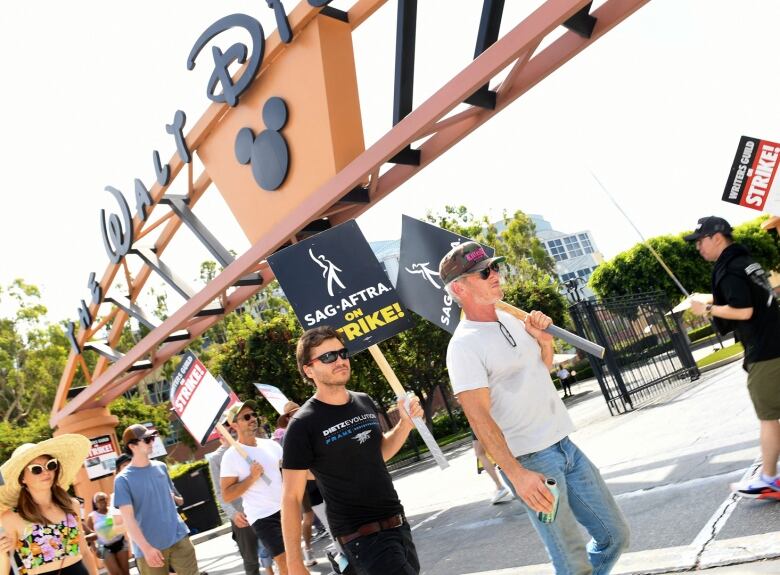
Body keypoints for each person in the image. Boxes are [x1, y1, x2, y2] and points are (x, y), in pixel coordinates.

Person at [440, 241, 630, 574]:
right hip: (531, 461)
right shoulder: (463, 346)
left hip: (564, 445)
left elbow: (540, 370)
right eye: (484, 272)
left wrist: (545, 342)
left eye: (495, 267)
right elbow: (478, 417)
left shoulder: (513, 319)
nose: (495, 274)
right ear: (459, 287)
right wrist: (515, 474)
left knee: (614, 535)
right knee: (571, 558)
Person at [281, 325, 423, 575]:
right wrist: (294, 563)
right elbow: (291, 497)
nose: (340, 360)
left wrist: (405, 425)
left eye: (342, 353)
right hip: (362, 538)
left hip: (398, 525)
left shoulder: (363, 400)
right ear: (308, 369)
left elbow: (378, 453)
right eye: (327, 357)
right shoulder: (302, 424)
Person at [685, 216, 780, 498]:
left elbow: (744, 311)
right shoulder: (745, 263)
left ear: (717, 237)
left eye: (700, 241)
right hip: (776, 343)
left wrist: (708, 310)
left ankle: (769, 478)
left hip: (765, 353)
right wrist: (712, 298)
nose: (698, 247)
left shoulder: (728, 271)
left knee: (769, 417)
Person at [0, 435, 99, 575]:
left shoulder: (71, 505)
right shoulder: (11, 518)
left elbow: (84, 551)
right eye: (36, 469)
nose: (46, 472)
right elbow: (5, 568)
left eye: (50, 465)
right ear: (22, 478)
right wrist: (2, 553)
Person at [114, 424, 198, 575]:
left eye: (152, 438)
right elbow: (128, 519)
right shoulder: (122, 480)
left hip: (179, 538)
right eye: (147, 440)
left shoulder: (161, 467)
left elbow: (172, 500)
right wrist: (146, 548)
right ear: (132, 445)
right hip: (150, 549)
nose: (152, 442)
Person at [220, 401, 287, 575]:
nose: (253, 419)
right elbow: (226, 495)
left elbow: (288, 473)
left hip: (286, 509)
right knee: (285, 562)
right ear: (234, 424)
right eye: (246, 417)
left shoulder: (271, 445)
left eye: (254, 414)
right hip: (263, 517)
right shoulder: (230, 457)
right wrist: (252, 478)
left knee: (295, 559)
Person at [207, 425, 273, 575]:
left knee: (275, 549)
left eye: (232, 428)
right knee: (250, 560)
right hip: (241, 515)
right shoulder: (216, 458)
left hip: (262, 507)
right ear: (220, 434)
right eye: (227, 429)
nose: (231, 431)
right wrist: (233, 514)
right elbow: (220, 492)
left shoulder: (247, 448)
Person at [86, 491, 129, 575]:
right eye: (99, 500)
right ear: (95, 503)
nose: (102, 501)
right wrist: (94, 548)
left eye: (104, 499)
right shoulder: (92, 516)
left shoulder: (113, 511)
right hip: (104, 548)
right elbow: (89, 533)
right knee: (115, 573)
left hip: (120, 543)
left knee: (125, 572)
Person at [472, 432, 511, 504]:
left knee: (480, 453)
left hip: (479, 422)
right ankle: (509, 484)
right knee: (499, 444)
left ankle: (500, 487)